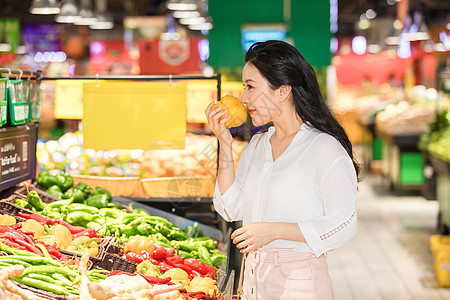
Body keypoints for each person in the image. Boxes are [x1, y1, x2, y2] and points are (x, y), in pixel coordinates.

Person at [205, 40, 359, 300]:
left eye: (251, 87)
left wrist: (273, 230)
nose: (243, 98)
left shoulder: (323, 147)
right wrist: (224, 143)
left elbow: (345, 223)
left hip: (300, 283)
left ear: (283, 91)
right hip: (254, 278)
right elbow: (230, 207)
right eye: (244, 88)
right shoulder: (258, 145)